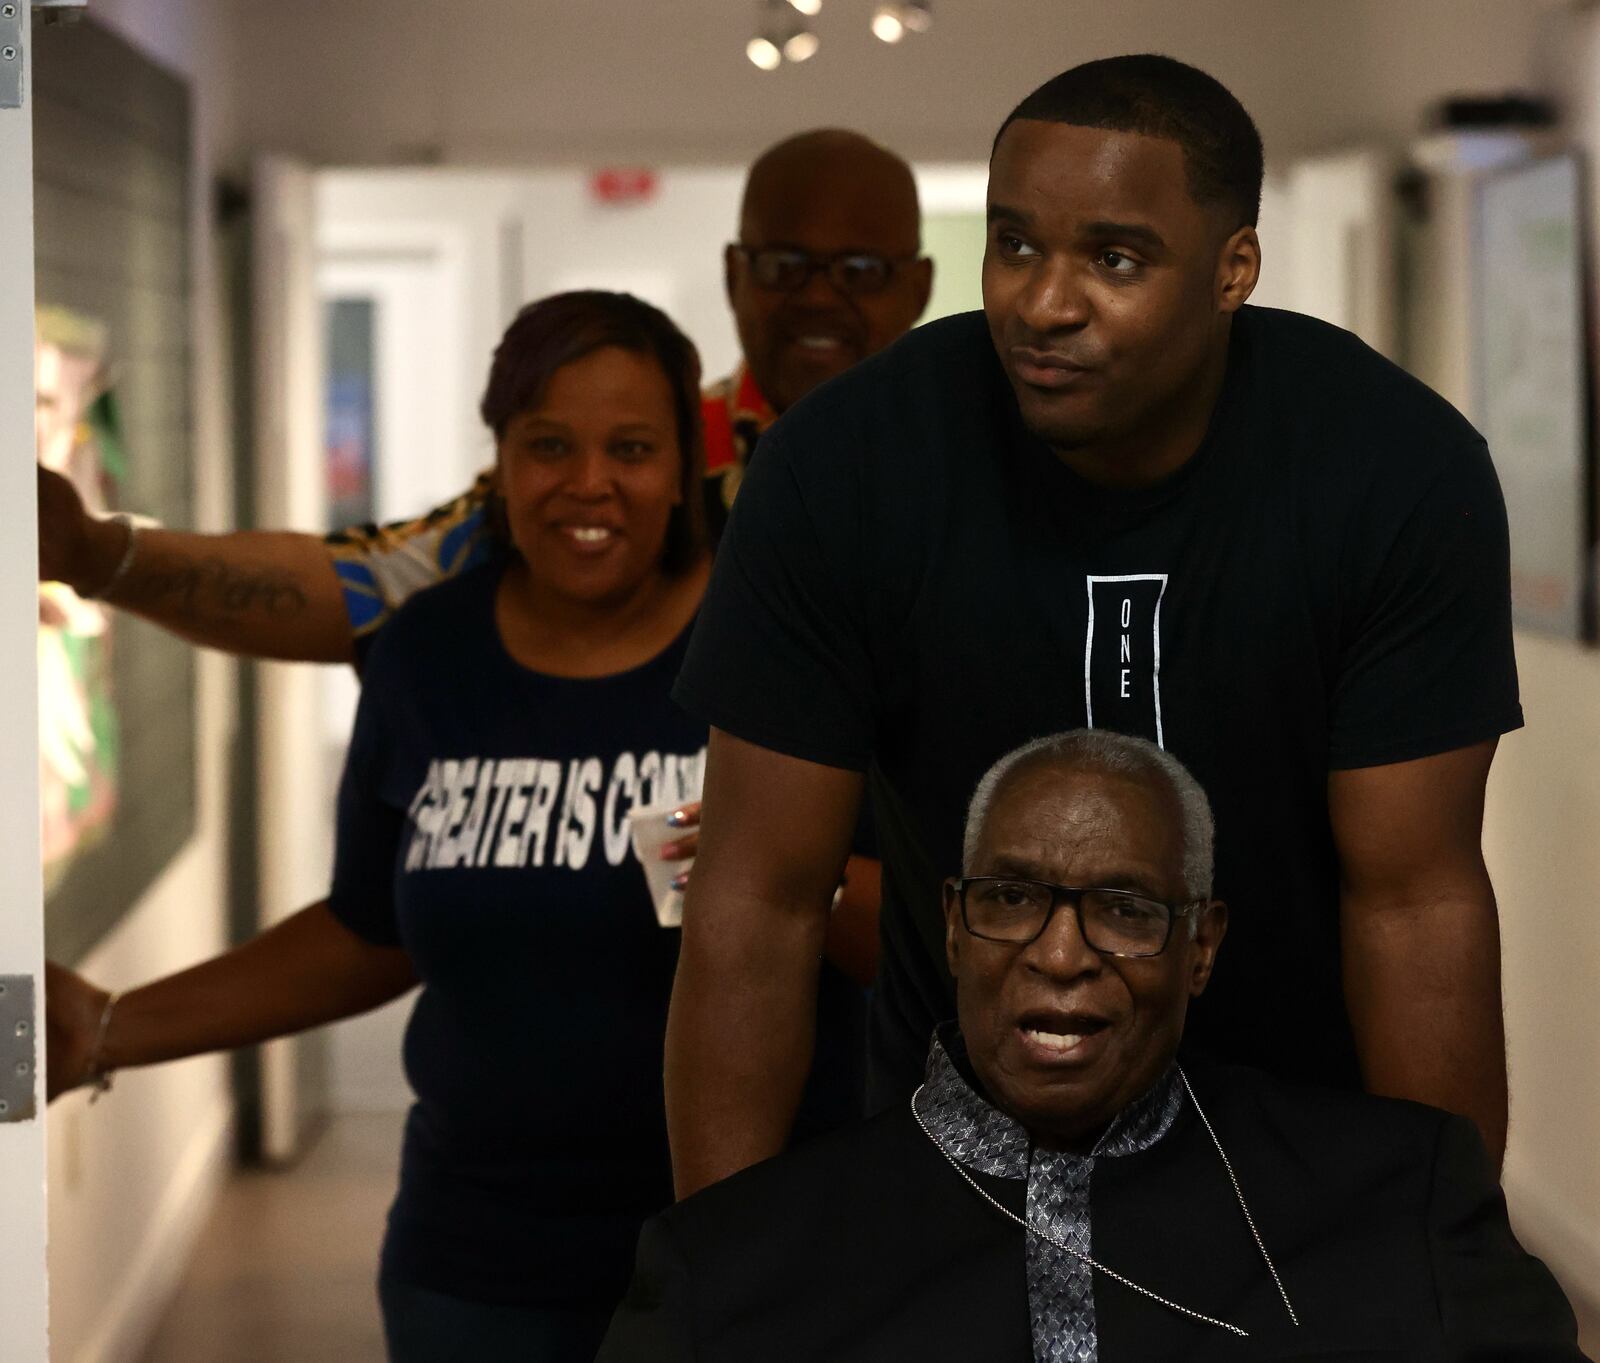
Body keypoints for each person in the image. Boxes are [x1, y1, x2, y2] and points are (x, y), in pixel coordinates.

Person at [663, 53, 1522, 1201]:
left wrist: (1442, 1258)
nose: (1043, 302)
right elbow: (757, 899)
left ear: (1233, 270)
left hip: (1290, 1162)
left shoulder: (1391, 472)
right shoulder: (846, 466)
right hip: (948, 1153)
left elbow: (1416, 904)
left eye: (1112, 258)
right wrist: (726, 1273)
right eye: (1015, 244)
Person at [44, 292, 853, 1362]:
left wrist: (779, 879)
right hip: (473, 1269)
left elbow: (907, 917)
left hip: (741, 1258)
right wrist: (110, 1028)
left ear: (682, 467)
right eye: (548, 445)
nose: (589, 483)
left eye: (632, 448)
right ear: (500, 461)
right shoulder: (426, 653)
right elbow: (370, 932)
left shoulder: (772, 645)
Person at [35, 126, 930, 986]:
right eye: (786, 266)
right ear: (737, 275)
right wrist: (97, 552)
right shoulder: (652, 456)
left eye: (861, 270)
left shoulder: (982, 474)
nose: (821, 296)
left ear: (919, 286)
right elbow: (362, 584)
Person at [597, 732, 1586, 1363]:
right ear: (951, 927)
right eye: (1012, 898)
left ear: (1200, 944)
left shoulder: (1398, 1198)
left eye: (1123, 908)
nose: (1060, 953)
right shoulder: (727, 1266)